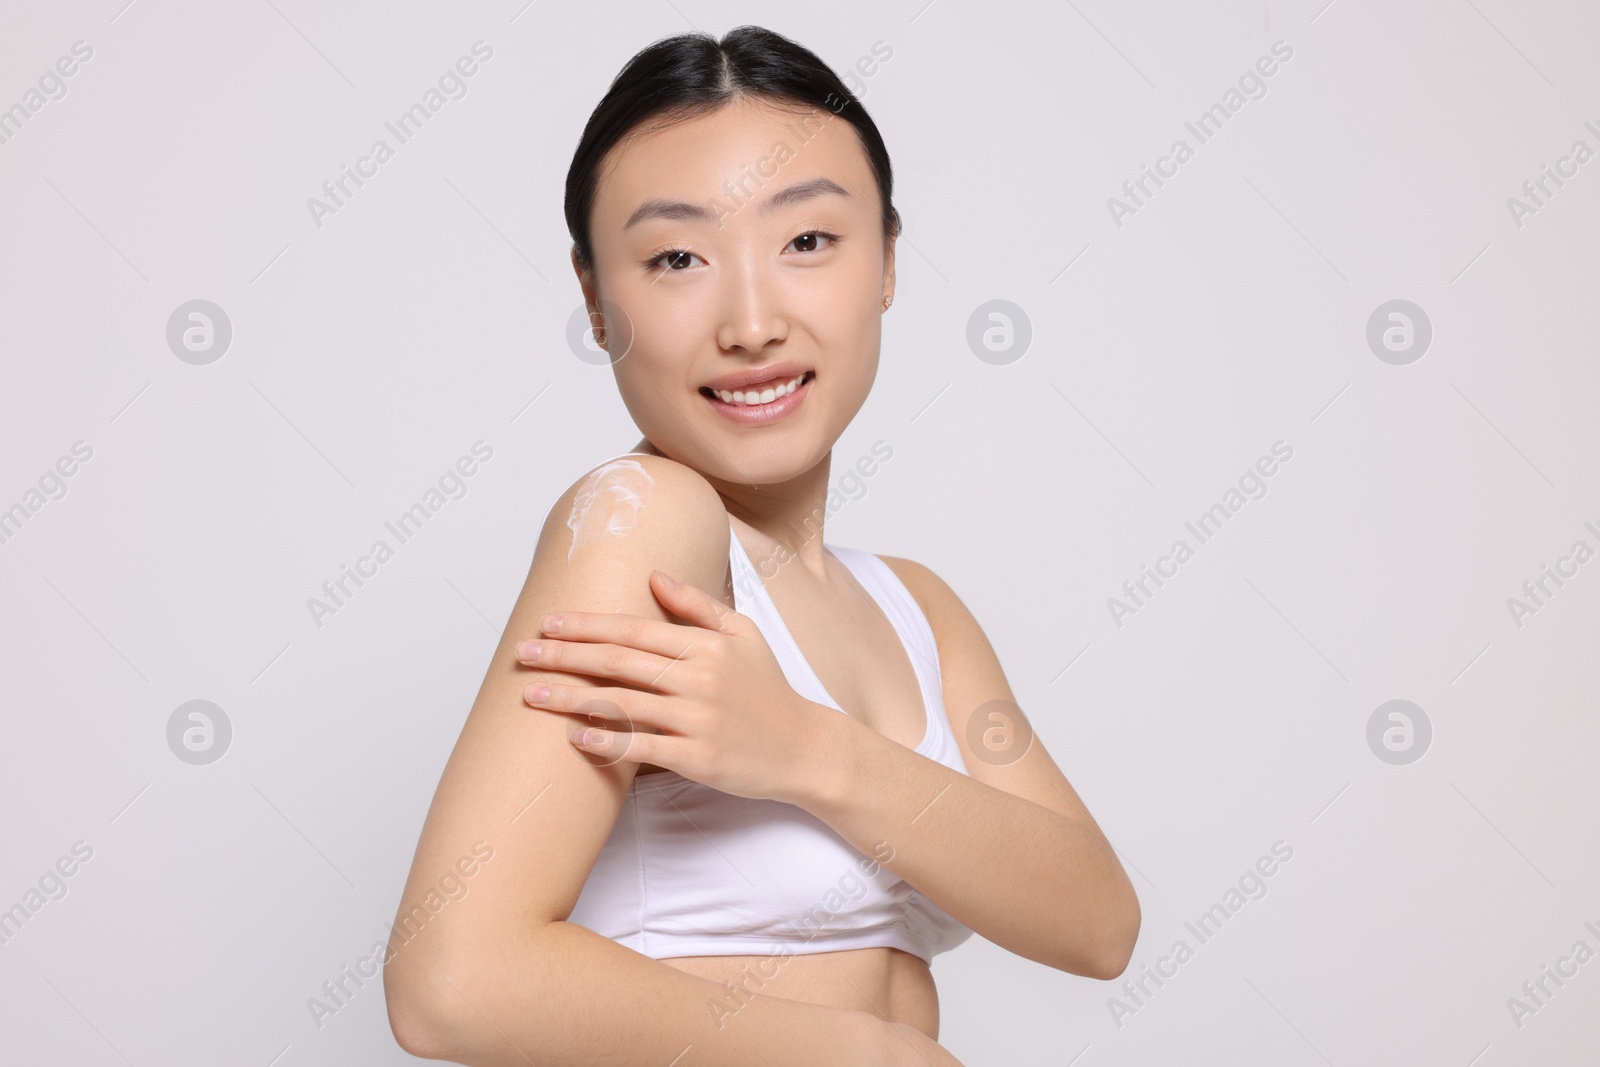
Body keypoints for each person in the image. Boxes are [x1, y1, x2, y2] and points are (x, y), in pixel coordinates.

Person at [383, 25, 1139, 1065]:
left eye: (808, 241)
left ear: (885, 261)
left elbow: (1096, 921)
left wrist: (804, 748)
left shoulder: (914, 608)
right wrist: (876, 1054)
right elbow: (452, 983)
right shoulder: (645, 518)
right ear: (597, 299)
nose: (750, 322)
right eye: (676, 257)